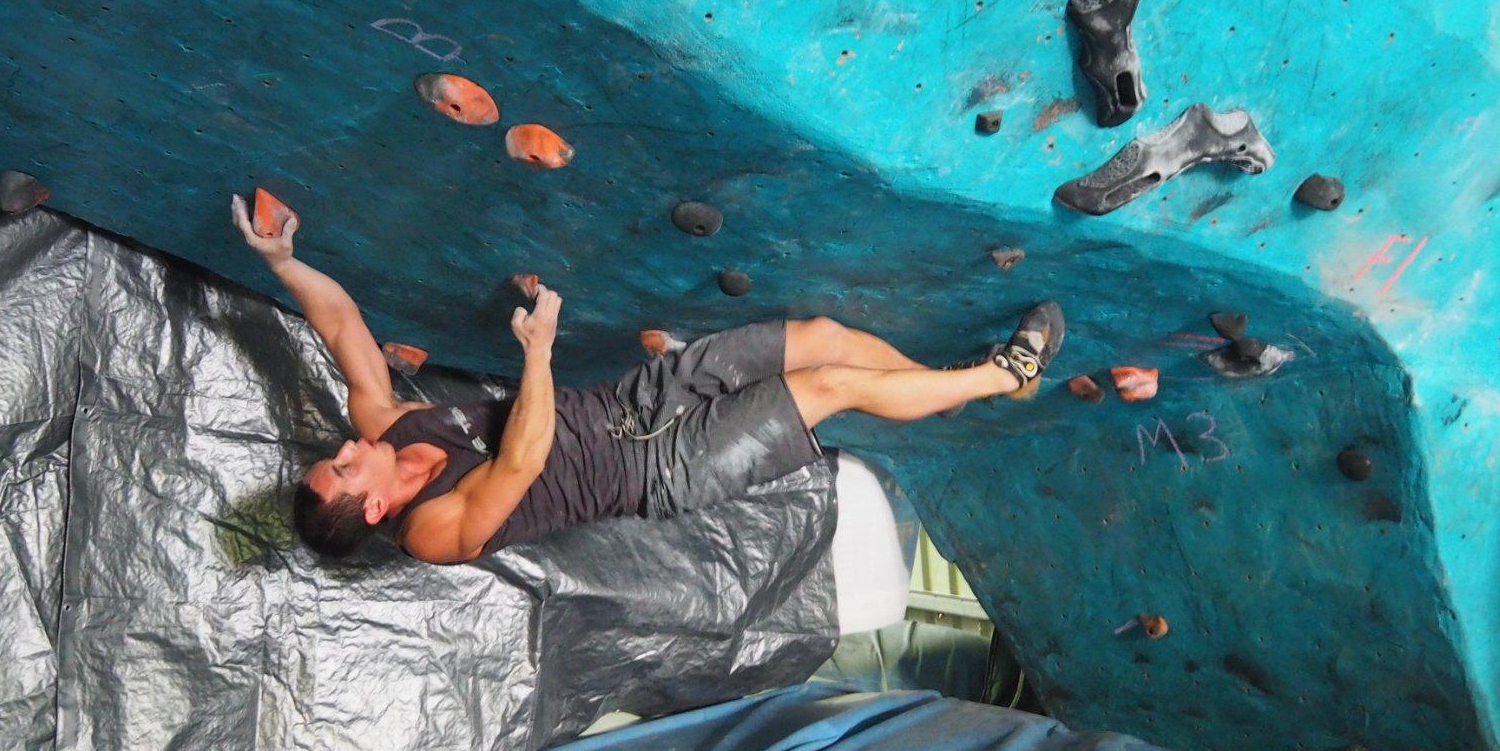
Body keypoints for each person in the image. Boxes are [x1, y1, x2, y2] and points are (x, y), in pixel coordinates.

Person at [232, 196, 1064, 565]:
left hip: (635, 402)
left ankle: (954, 386)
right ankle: (1003, 374)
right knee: (835, 386)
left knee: (822, 338)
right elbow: (521, 463)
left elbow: (342, 327)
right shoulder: (431, 533)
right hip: (662, 469)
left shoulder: (385, 422)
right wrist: (537, 352)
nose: (346, 447)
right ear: (372, 507)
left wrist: (283, 262)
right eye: (343, 469)